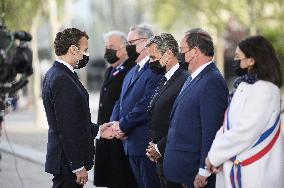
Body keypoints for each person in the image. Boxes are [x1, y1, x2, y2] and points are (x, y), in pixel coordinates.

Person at [206, 35, 284, 188]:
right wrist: (216, 155)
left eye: (238, 56)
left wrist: (214, 157)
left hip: (253, 173)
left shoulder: (265, 90)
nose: (235, 60)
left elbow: (245, 130)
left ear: (252, 60)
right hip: (235, 165)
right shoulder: (244, 87)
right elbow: (227, 125)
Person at [42, 28, 113, 188]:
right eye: (85, 49)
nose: (86, 54)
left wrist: (99, 131)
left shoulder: (58, 73)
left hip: (65, 160)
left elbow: (75, 120)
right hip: (67, 163)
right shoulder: (62, 78)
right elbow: (67, 127)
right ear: (73, 49)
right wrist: (77, 165)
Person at [162, 28, 228, 188]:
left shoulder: (212, 80)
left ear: (195, 51)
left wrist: (204, 170)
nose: (179, 54)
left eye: (182, 50)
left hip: (193, 174)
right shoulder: (193, 77)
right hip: (180, 170)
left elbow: (211, 130)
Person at [110, 25, 162, 188]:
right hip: (129, 144)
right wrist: (114, 124)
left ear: (147, 43)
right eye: (127, 42)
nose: (128, 47)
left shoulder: (155, 69)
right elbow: (121, 100)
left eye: (132, 42)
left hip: (144, 144)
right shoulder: (132, 70)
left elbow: (145, 105)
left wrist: (123, 125)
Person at [144, 33, 188, 188]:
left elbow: (182, 122)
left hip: (174, 159)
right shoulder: (165, 78)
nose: (151, 62)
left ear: (168, 53)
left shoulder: (183, 80)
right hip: (162, 160)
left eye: (153, 57)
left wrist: (159, 147)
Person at [94, 31, 137, 188]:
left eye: (112, 47)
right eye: (106, 47)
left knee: (120, 179)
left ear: (125, 48)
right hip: (106, 136)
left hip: (120, 137)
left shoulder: (131, 70)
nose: (108, 50)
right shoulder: (109, 70)